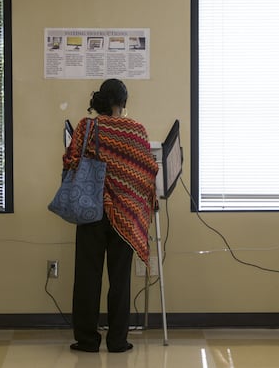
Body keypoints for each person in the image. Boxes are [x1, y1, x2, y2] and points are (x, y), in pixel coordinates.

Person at [62, 79, 158, 353]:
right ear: (123, 103)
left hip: (90, 208)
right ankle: (117, 340)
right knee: (120, 280)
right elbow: (147, 169)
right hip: (125, 215)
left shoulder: (86, 126)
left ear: (101, 100)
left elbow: (70, 161)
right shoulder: (136, 130)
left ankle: (87, 340)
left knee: (87, 277)